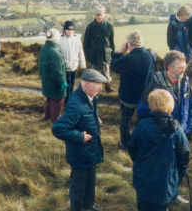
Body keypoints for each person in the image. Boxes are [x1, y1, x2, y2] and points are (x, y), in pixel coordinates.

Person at [136, 50, 192, 205]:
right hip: (160, 137)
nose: (184, 70)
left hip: (180, 132)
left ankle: (173, 194)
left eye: (184, 66)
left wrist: (188, 127)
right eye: (180, 67)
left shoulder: (186, 82)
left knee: (177, 165)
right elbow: (142, 110)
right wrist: (156, 129)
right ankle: (160, 196)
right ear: (169, 67)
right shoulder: (155, 85)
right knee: (162, 167)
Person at [52, 69, 109, 211]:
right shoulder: (76, 104)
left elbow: (85, 116)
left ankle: (88, 206)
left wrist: (96, 120)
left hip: (90, 151)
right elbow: (58, 128)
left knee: (90, 182)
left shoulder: (89, 97)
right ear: (87, 83)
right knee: (78, 186)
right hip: (80, 154)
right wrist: (80, 136)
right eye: (98, 84)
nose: (101, 88)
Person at [128, 89, 191, 211]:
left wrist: (139, 163)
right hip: (166, 180)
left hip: (144, 177)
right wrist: (180, 173)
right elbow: (184, 153)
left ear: (151, 105)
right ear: (171, 106)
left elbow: (132, 146)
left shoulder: (142, 125)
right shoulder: (177, 129)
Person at [110, 30, 154, 150]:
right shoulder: (149, 55)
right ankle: (142, 141)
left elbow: (113, 65)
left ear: (129, 44)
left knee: (125, 120)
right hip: (144, 96)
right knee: (143, 120)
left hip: (128, 97)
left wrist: (120, 52)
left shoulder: (128, 59)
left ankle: (125, 143)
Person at [83, 6, 116, 93]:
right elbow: (86, 42)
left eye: (101, 15)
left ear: (104, 15)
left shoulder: (109, 26)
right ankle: (92, 88)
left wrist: (112, 54)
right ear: (95, 16)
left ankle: (107, 87)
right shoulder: (90, 26)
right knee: (93, 73)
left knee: (106, 72)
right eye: (97, 15)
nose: (99, 17)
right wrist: (87, 55)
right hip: (93, 55)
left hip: (105, 54)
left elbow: (111, 41)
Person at [39, 28, 67, 123]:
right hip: (54, 82)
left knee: (49, 98)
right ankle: (55, 119)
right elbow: (56, 71)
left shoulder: (44, 48)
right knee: (57, 100)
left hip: (46, 80)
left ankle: (47, 116)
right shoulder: (54, 52)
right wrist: (62, 82)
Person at [58, 20, 86, 105]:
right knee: (67, 83)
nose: (70, 31)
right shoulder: (60, 39)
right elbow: (58, 54)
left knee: (72, 83)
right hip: (64, 67)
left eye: (72, 30)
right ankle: (66, 99)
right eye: (68, 30)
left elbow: (80, 52)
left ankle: (69, 98)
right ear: (64, 30)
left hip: (74, 65)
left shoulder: (76, 39)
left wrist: (82, 65)